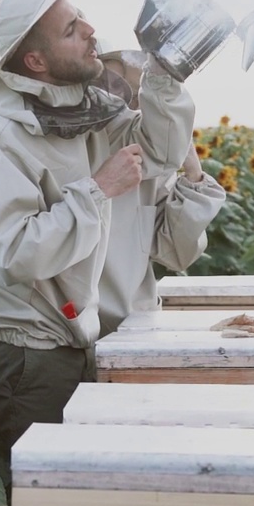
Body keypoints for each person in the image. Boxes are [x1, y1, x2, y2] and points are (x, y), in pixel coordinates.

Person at [0, 0, 194, 506]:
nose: (92, 31)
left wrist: (168, 81)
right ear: (34, 59)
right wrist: (98, 190)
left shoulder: (78, 108)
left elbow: (163, 157)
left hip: (77, 344)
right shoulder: (2, 135)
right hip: (26, 358)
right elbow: (21, 252)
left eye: (83, 17)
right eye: (71, 27)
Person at [93, 44, 227, 337]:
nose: (116, 100)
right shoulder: (70, 150)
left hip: (132, 325)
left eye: (126, 91)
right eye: (106, 85)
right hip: (72, 329)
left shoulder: (149, 162)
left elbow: (176, 252)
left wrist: (192, 172)